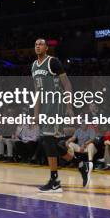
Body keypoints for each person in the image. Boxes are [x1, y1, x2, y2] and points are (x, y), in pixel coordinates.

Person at [32, 39, 90, 192]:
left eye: (41, 44)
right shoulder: (33, 66)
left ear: (47, 47)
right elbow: (37, 92)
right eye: (36, 44)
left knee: (48, 141)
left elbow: (67, 85)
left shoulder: (53, 62)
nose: (38, 46)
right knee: (52, 144)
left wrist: (69, 106)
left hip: (56, 106)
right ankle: (80, 164)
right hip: (44, 108)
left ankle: (54, 180)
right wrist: (35, 113)